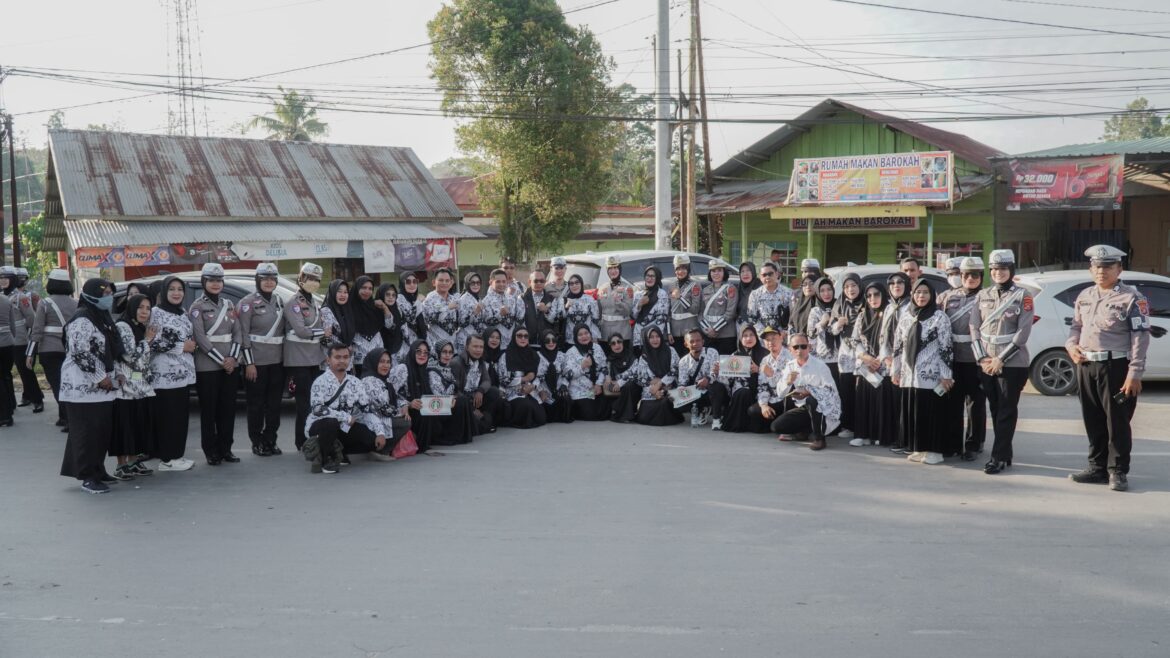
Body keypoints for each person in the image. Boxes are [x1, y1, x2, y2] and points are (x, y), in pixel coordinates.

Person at [1065, 244, 1150, 492]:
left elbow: (1140, 337)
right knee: (1092, 419)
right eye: (1097, 267)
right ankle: (1097, 468)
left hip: (1116, 366)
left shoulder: (1133, 298)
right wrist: (1071, 346)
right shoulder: (1084, 296)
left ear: (1119, 269)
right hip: (1086, 364)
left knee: (1117, 422)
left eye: (1107, 267)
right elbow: (1076, 328)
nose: (1101, 271)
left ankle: (1118, 471)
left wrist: (1134, 373)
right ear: (1091, 270)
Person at [970, 250, 1032, 475]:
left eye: (1003, 269)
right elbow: (974, 327)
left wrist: (1000, 360)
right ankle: (1005, 452)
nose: (998, 273)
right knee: (995, 409)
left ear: (1011, 271)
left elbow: (1023, 332)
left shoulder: (1022, 296)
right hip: (986, 362)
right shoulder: (983, 295)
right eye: (994, 269)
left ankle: (997, 457)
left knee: (1006, 409)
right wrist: (983, 358)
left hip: (1012, 363)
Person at [59, 279, 121, 494]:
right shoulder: (82, 319)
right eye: (104, 293)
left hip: (102, 388)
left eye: (110, 292)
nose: (108, 297)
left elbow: (110, 350)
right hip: (82, 388)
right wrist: (100, 376)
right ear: (92, 294)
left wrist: (115, 375)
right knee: (86, 433)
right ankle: (87, 476)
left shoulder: (101, 318)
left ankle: (98, 469)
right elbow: (80, 352)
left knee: (101, 432)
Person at [891, 279, 955, 465]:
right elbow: (898, 346)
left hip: (931, 374)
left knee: (931, 412)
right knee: (914, 412)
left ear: (932, 295)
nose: (921, 296)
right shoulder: (906, 316)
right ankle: (919, 447)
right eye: (918, 292)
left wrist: (946, 375)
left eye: (926, 292)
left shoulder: (939, 317)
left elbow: (946, 347)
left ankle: (934, 451)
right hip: (909, 374)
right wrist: (895, 370)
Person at [303, 343, 389, 474]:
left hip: (344, 426)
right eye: (337, 357)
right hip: (319, 425)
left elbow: (366, 410)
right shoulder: (320, 382)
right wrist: (345, 417)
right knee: (330, 422)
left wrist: (380, 432)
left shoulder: (355, 382)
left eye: (345, 357)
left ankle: (339, 451)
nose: (342, 361)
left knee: (370, 438)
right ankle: (327, 459)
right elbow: (318, 409)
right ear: (328, 360)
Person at [190, 263, 243, 466]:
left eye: (219, 280)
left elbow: (238, 332)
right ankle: (211, 451)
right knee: (209, 411)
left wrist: (232, 359)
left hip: (230, 364)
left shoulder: (229, 305)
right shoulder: (197, 307)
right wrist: (222, 361)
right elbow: (200, 338)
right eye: (211, 280)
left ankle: (226, 449)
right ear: (204, 282)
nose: (215, 284)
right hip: (208, 366)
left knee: (228, 409)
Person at [938, 257, 986, 460]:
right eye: (966, 275)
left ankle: (974, 445)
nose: (970, 279)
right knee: (952, 403)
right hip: (953, 358)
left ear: (981, 277)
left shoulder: (987, 297)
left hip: (976, 358)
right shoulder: (948, 297)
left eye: (975, 275)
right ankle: (953, 443)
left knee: (975, 404)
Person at [148, 275, 197, 472]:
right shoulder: (155, 313)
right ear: (164, 293)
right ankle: (168, 458)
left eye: (180, 289)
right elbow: (152, 342)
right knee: (168, 418)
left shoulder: (182, 313)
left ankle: (177, 455)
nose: (176, 293)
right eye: (172, 289)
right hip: (164, 375)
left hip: (183, 375)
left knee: (180, 418)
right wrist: (181, 346)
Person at [238, 263, 286, 457]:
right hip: (255, 364)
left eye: (272, 278)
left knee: (274, 405)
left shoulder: (280, 301)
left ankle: (270, 440)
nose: (268, 282)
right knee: (256, 405)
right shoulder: (247, 303)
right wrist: (249, 363)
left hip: (277, 362)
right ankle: (257, 441)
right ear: (258, 280)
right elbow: (243, 335)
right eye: (264, 278)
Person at [769, 332, 841, 451]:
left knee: (812, 400)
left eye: (803, 346)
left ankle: (819, 438)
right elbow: (780, 394)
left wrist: (810, 392)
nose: (800, 350)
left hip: (823, 408)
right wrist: (788, 382)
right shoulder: (790, 366)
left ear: (809, 347)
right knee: (776, 427)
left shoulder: (820, 365)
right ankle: (805, 430)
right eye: (796, 347)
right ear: (790, 349)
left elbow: (831, 391)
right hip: (803, 408)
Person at [284, 262, 329, 452]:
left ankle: (311, 436)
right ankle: (301, 441)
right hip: (299, 359)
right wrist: (324, 333)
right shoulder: (294, 303)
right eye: (309, 278)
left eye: (316, 280)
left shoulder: (314, 303)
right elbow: (302, 331)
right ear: (301, 279)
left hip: (315, 358)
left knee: (314, 402)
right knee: (303, 403)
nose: (313, 282)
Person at [110, 293, 156, 480]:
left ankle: (133, 461)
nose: (144, 312)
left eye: (148, 308)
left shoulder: (137, 327)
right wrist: (147, 340)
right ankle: (121, 465)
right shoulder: (124, 327)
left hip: (138, 387)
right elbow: (129, 357)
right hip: (124, 388)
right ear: (131, 308)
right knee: (124, 427)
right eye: (140, 307)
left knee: (136, 426)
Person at [27, 269, 77, 431]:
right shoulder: (75, 303)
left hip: (49, 350)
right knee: (68, 384)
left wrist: (30, 354)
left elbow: (37, 329)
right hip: (69, 349)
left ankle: (68, 419)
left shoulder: (45, 303)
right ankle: (64, 417)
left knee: (57, 385)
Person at [849, 283, 891, 447]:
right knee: (863, 400)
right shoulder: (862, 315)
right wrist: (866, 357)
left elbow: (893, 340)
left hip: (883, 364)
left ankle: (879, 435)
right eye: (869, 295)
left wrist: (878, 360)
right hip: (865, 366)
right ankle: (862, 435)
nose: (873, 299)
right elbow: (854, 340)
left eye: (877, 294)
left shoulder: (888, 314)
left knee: (881, 402)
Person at [619, 327, 681, 426]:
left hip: (669, 387)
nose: (655, 340)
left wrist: (660, 384)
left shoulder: (671, 351)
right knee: (648, 410)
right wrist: (654, 390)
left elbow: (675, 370)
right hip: (650, 391)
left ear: (661, 337)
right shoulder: (644, 356)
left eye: (657, 336)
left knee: (664, 404)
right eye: (651, 337)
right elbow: (641, 379)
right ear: (647, 340)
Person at [828, 273, 863, 440]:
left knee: (861, 391)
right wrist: (838, 324)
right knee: (846, 390)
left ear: (859, 286)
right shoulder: (839, 304)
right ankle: (848, 425)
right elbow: (831, 329)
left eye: (854, 285)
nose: (851, 289)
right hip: (845, 354)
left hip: (862, 353)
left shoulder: (866, 302)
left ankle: (863, 427)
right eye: (847, 286)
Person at [391, 340, 443, 453]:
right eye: (418, 351)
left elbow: (436, 395)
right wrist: (408, 404)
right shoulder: (402, 369)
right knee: (423, 414)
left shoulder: (426, 372)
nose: (422, 355)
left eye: (425, 352)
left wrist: (448, 401)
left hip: (422, 410)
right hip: (405, 411)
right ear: (412, 352)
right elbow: (390, 393)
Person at [358, 348, 409, 461]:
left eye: (388, 362)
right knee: (405, 422)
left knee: (406, 419)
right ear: (374, 362)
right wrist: (400, 412)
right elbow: (383, 408)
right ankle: (379, 450)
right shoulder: (369, 380)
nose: (385, 365)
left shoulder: (383, 379)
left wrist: (404, 406)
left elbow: (395, 397)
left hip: (379, 418)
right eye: (381, 361)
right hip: (369, 421)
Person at [880, 272, 912, 454]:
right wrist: (886, 356)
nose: (896, 285)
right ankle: (895, 437)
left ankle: (905, 439)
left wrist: (899, 361)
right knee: (893, 402)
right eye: (892, 283)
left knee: (904, 403)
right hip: (889, 361)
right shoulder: (889, 307)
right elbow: (883, 335)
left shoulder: (910, 306)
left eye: (900, 282)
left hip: (905, 362)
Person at [716, 325, 768, 433]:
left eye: (751, 335)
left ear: (756, 337)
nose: (748, 338)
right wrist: (719, 372)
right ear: (740, 338)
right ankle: (738, 424)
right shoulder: (735, 355)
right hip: (741, 390)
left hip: (762, 390)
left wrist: (759, 370)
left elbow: (774, 375)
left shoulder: (766, 354)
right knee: (743, 392)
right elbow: (727, 381)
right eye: (745, 336)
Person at [451, 333, 505, 433]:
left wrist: (480, 391)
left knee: (494, 391)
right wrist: (471, 409)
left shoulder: (480, 361)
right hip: (463, 402)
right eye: (475, 346)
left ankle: (483, 420)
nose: (479, 350)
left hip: (476, 398)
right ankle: (479, 421)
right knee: (481, 426)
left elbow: (487, 380)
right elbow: (455, 391)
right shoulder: (456, 363)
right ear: (467, 347)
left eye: (481, 347)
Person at [497, 329, 551, 428]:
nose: (523, 338)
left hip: (530, 391)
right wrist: (524, 379)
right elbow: (503, 379)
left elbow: (539, 376)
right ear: (514, 337)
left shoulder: (534, 355)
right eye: (519, 335)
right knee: (525, 407)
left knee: (541, 417)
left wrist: (532, 386)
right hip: (511, 392)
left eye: (526, 336)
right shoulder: (506, 356)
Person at [427, 339, 477, 445]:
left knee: (464, 399)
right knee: (461, 400)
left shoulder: (447, 368)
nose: (447, 355)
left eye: (450, 352)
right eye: (444, 352)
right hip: (436, 407)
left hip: (445, 404)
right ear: (438, 353)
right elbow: (439, 395)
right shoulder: (433, 370)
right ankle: (451, 435)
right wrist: (453, 394)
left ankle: (464, 433)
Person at [560, 324, 610, 421]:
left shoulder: (597, 348)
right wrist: (582, 366)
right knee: (591, 414)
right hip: (580, 391)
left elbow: (604, 368)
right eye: (580, 335)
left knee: (606, 409)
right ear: (575, 337)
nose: (584, 336)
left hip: (595, 389)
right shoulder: (571, 352)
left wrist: (599, 384)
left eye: (586, 333)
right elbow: (567, 375)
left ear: (590, 334)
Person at [10, 267, 43, 411]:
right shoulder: (8, 295)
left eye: (23, 278)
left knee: (26, 368)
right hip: (11, 338)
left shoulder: (31, 295)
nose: (21, 281)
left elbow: (36, 316)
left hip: (27, 336)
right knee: (21, 369)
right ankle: (27, 394)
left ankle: (36, 397)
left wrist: (34, 332)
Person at [749, 326, 793, 434]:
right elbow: (762, 386)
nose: (770, 342)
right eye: (767, 340)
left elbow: (788, 384)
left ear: (781, 338)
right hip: (772, 399)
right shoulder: (765, 360)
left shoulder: (790, 357)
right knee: (753, 411)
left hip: (786, 399)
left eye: (773, 338)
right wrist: (764, 405)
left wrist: (772, 374)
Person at [676, 328, 722, 428]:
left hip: (714, 389)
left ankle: (716, 418)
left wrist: (708, 379)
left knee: (715, 386)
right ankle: (701, 410)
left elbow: (715, 373)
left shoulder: (712, 352)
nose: (695, 343)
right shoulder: (683, 361)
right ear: (686, 344)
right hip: (696, 391)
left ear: (703, 341)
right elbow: (682, 382)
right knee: (674, 399)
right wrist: (680, 392)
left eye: (698, 340)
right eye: (691, 341)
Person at [351, 275, 391, 375]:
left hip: (377, 354)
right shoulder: (349, 308)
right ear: (357, 288)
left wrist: (385, 307)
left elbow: (389, 325)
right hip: (358, 357)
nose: (367, 291)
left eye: (370, 289)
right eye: (363, 288)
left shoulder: (375, 306)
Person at [666, 254, 705, 356]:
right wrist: (669, 332)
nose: (680, 271)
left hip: (690, 329)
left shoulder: (695, 285)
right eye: (678, 269)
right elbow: (668, 312)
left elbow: (695, 309)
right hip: (675, 331)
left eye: (683, 268)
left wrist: (680, 298)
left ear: (688, 269)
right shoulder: (671, 285)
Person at [698, 259, 738, 355]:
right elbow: (700, 313)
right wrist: (707, 330)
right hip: (708, 335)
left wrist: (715, 329)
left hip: (726, 335)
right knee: (710, 364)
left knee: (725, 366)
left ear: (724, 272)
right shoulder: (705, 290)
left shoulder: (730, 288)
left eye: (719, 270)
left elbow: (730, 313)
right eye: (713, 271)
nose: (716, 274)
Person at [597, 255, 635, 354]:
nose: (613, 271)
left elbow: (628, 311)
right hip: (605, 334)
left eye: (615, 268)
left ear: (620, 269)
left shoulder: (628, 288)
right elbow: (599, 311)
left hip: (622, 333)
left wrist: (619, 302)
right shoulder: (602, 288)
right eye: (610, 268)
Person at [479, 269, 524, 348]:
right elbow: (485, 323)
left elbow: (519, 318)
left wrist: (520, 300)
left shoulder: (511, 298)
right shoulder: (485, 301)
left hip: (512, 344)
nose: (501, 284)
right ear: (490, 282)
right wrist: (500, 315)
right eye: (498, 281)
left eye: (504, 281)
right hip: (495, 345)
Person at [419, 268, 462, 353]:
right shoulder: (429, 299)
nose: (444, 283)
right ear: (434, 282)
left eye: (447, 281)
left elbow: (459, 321)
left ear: (451, 283)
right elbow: (428, 319)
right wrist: (447, 308)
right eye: (441, 280)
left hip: (453, 344)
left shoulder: (453, 299)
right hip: (436, 345)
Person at [806, 277, 840, 383]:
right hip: (823, 359)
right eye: (822, 290)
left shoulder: (840, 306)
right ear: (817, 292)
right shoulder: (815, 311)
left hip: (841, 359)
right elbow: (811, 336)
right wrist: (821, 324)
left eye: (829, 289)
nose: (826, 293)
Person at [604, 332, 642, 423]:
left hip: (633, 386)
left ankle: (620, 412)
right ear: (610, 346)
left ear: (623, 342)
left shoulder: (631, 356)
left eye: (619, 342)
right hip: (617, 387)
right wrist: (609, 380)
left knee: (628, 385)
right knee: (621, 386)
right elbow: (608, 377)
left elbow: (635, 371)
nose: (617, 345)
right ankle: (625, 414)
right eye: (613, 343)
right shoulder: (609, 360)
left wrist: (620, 382)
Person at [537, 329, 573, 423]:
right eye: (547, 340)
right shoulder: (537, 356)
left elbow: (568, 372)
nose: (551, 343)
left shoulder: (562, 356)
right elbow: (535, 376)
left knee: (566, 398)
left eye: (554, 340)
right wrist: (540, 390)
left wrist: (564, 385)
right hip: (544, 391)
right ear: (542, 341)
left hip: (558, 389)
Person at [747, 262, 792, 335]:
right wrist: (764, 333)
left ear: (777, 274)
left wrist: (785, 332)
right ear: (760, 277)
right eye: (764, 275)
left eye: (770, 274)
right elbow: (751, 317)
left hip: (783, 337)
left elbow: (793, 317)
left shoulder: (788, 293)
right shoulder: (754, 295)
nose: (767, 277)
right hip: (762, 338)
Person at [632, 266, 670, 352]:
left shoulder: (662, 294)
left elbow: (661, 319)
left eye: (653, 276)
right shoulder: (638, 294)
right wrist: (639, 305)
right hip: (638, 337)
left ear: (657, 278)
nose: (649, 278)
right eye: (647, 276)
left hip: (654, 338)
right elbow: (634, 316)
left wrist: (651, 336)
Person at [520, 271, 562, 347]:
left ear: (545, 282)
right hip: (527, 342)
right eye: (536, 281)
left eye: (542, 281)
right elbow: (519, 320)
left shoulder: (552, 299)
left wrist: (546, 310)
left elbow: (555, 320)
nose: (539, 283)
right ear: (530, 282)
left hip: (546, 343)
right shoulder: (522, 298)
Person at [559, 274, 600, 346]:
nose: (574, 286)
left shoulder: (589, 299)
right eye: (571, 284)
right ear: (569, 286)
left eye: (577, 283)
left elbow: (596, 318)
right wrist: (566, 308)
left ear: (581, 284)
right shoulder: (564, 300)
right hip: (570, 341)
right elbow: (559, 318)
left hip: (587, 339)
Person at [321, 279, 356, 358]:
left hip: (346, 360)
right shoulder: (326, 311)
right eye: (339, 291)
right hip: (331, 360)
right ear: (333, 292)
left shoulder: (347, 310)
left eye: (345, 292)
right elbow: (326, 339)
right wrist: (344, 347)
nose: (342, 295)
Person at [377, 283, 406, 364]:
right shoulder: (377, 311)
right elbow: (389, 325)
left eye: (393, 295)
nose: (391, 297)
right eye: (388, 294)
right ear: (382, 295)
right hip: (382, 352)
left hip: (399, 351)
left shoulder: (398, 310)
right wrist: (385, 308)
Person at [457, 271, 486, 351]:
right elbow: (461, 322)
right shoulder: (463, 299)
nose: (476, 285)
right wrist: (475, 313)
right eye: (472, 283)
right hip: (465, 339)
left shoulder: (478, 298)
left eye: (478, 283)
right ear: (467, 284)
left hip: (477, 340)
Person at [0, 266, 15, 426]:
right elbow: (12, 326)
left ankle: (4, 415)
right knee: (6, 375)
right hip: (8, 343)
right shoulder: (6, 300)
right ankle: (10, 407)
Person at [398, 272, 425, 346]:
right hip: (406, 343)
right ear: (402, 284)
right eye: (408, 282)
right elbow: (410, 318)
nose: (412, 284)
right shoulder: (399, 298)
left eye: (415, 281)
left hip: (418, 341)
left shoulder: (415, 298)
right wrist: (418, 302)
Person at [736, 261, 762, 335]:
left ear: (753, 272)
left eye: (748, 270)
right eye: (742, 271)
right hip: (740, 326)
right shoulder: (739, 288)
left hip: (758, 327)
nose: (745, 274)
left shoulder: (760, 288)